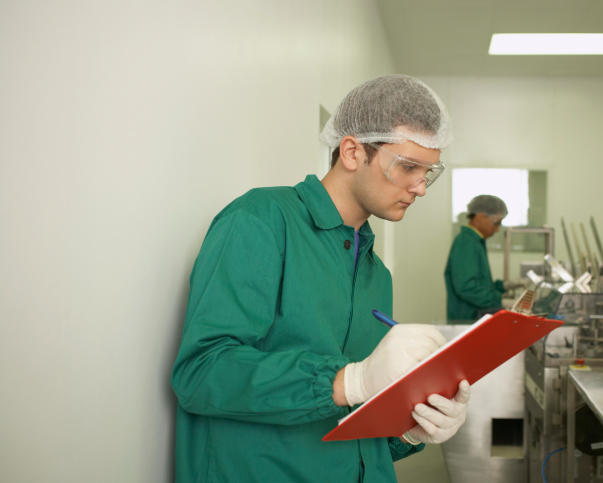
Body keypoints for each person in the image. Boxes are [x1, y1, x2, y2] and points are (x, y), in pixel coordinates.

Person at [171, 74, 471, 483]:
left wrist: (409, 427)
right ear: (351, 151)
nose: (419, 187)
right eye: (407, 167)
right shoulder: (262, 220)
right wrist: (350, 379)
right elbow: (202, 374)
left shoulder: (375, 273)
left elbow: (356, 431)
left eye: (428, 172)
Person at [444, 195, 524, 321]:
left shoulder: (475, 241)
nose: (497, 229)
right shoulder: (466, 243)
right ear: (480, 216)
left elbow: (480, 284)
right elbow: (466, 287)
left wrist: (505, 286)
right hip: (467, 319)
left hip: (474, 317)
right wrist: (500, 301)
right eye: (496, 223)